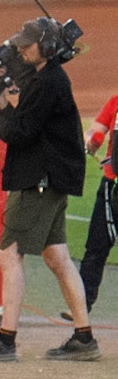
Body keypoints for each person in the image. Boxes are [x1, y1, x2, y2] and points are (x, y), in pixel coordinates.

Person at [0, 17, 100, 362]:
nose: (22, 49)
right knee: (57, 257)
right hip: (52, 178)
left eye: (28, 44)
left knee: (9, 253)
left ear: (48, 48)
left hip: (39, 178)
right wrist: (4, 105)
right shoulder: (48, 79)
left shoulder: (47, 82)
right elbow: (28, 124)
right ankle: (84, 338)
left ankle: (6, 340)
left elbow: (20, 135)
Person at [76, 94, 118, 315]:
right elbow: (96, 130)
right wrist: (91, 140)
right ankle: (81, 308)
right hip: (110, 187)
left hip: (111, 186)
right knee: (96, 248)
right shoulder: (115, 102)